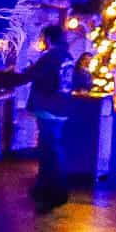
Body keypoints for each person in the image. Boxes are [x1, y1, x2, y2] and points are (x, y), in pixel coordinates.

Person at [27, 23, 84, 212]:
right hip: (62, 107)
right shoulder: (67, 56)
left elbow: (32, 74)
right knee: (51, 147)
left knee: (49, 149)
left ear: (47, 38)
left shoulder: (51, 56)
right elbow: (77, 79)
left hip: (47, 106)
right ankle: (44, 187)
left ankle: (55, 190)